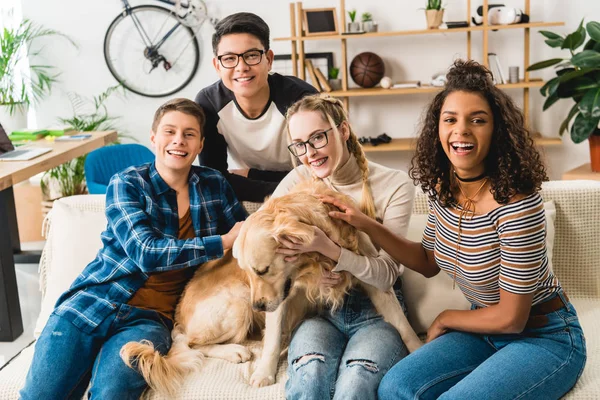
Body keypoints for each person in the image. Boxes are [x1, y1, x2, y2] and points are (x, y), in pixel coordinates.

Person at [323, 60, 587, 400]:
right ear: (438, 129)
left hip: (543, 336)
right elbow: (428, 260)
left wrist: (447, 317)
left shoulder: (518, 206)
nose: (461, 130)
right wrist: (364, 223)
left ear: (497, 131)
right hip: (482, 327)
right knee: (395, 387)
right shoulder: (443, 189)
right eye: (450, 120)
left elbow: (512, 318)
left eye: (477, 120)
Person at [19, 98, 247, 399]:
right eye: (170, 131)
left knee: (112, 395)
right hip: (93, 302)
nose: (179, 140)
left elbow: (248, 238)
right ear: (154, 137)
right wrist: (222, 242)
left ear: (201, 144)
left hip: (151, 320)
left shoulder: (213, 185)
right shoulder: (128, 183)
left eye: (189, 134)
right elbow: (146, 253)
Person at [271, 93, 415, 400]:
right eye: (299, 144)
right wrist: (310, 274)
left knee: (355, 385)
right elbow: (269, 250)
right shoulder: (295, 181)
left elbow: (388, 275)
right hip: (318, 311)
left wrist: (336, 255)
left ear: (344, 131)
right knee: (310, 377)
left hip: (377, 314)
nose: (309, 153)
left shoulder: (395, 185)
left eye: (318, 138)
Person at [195, 12, 317, 203]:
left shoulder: (301, 100)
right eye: (229, 58)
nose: (241, 67)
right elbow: (214, 179)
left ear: (268, 59)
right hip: (271, 193)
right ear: (217, 65)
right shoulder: (209, 104)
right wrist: (275, 186)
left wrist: (251, 175)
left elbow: (318, 176)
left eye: (251, 56)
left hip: (306, 195)